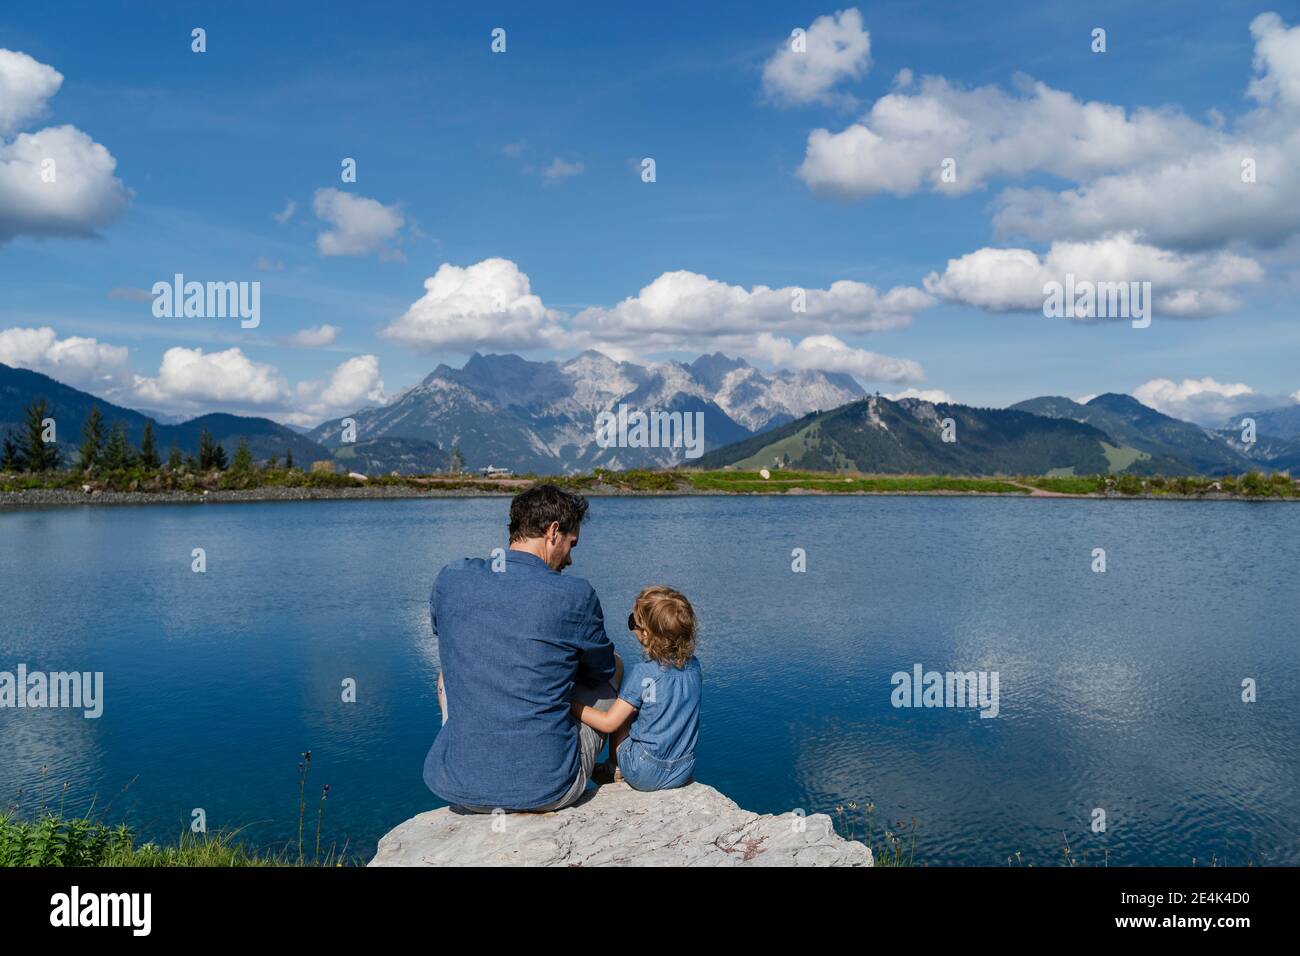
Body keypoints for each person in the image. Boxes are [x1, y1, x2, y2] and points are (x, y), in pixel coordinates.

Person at [423, 484, 623, 811]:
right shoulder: (575, 594)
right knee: (617, 666)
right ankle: (616, 766)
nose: (570, 558)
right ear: (553, 532)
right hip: (548, 788)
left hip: (459, 786)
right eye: (572, 544)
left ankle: (475, 759)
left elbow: (445, 633)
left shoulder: (451, 577)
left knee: (449, 671)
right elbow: (601, 671)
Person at [571, 585, 700, 792]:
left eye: (634, 622)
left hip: (644, 772)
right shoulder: (695, 667)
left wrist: (571, 703)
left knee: (627, 711)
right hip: (682, 769)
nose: (632, 627)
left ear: (646, 634)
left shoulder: (644, 673)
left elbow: (608, 723)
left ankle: (614, 768)